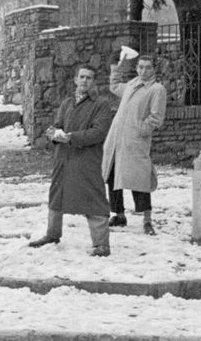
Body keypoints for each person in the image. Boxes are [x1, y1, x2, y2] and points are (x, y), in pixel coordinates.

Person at [28, 65, 116, 256]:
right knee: (57, 195)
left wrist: (70, 137)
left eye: (89, 78)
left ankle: (101, 244)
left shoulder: (101, 104)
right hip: (63, 158)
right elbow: (58, 125)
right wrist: (53, 132)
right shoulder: (67, 103)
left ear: (94, 82)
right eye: (82, 77)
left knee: (94, 198)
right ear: (75, 80)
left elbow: (99, 132)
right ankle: (52, 234)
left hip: (86, 159)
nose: (85, 81)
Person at [102, 52, 168, 234]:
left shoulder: (156, 89)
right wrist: (116, 68)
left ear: (154, 69)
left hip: (135, 140)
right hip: (117, 138)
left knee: (140, 177)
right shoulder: (132, 84)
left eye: (148, 67)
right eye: (140, 67)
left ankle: (147, 219)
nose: (144, 71)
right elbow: (115, 87)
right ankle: (119, 214)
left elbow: (156, 117)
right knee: (113, 176)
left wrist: (141, 129)